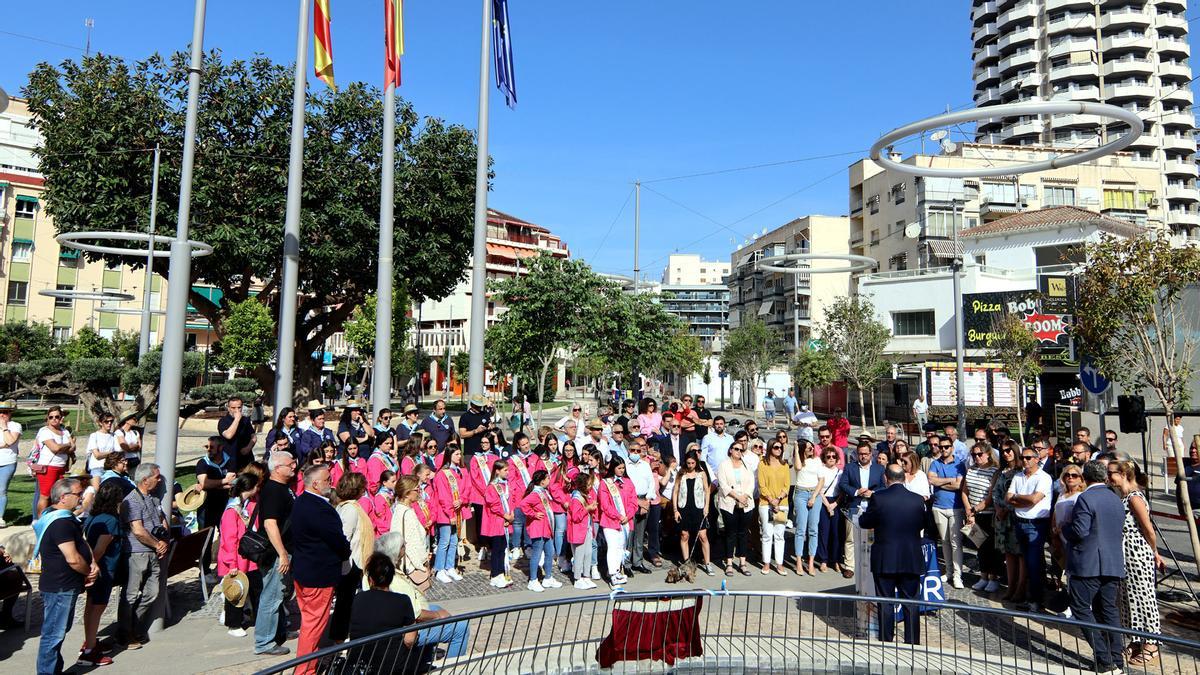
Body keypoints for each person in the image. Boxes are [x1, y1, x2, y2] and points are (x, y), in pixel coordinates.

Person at [1064, 461, 1127, 674]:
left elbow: (1080, 531)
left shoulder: (1086, 498)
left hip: (1087, 564)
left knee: (1081, 609)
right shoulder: (1115, 498)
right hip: (1112, 562)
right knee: (1109, 610)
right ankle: (1117, 658)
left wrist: (1065, 527)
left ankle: (1104, 657)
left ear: (1085, 477)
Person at [367, 534, 471, 659]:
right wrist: (438, 616)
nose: (405, 546)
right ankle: (452, 668)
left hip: (401, 620)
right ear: (395, 551)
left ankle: (424, 658)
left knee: (436, 607)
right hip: (407, 630)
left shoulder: (374, 573)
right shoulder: (393, 580)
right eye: (402, 546)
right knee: (461, 627)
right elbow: (416, 614)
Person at [34, 477, 99, 675]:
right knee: (53, 635)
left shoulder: (58, 515)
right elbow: (72, 558)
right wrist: (88, 571)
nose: (81, 498)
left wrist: (92, 562)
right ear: (63, 497)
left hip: (63, 585)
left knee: (58, 632)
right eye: (78, 494)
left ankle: (55, 670)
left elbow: (80, 541)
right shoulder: (60, 523)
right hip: (59, 587)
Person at [290, 464, 350, 673]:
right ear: (315, 484)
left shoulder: (301, 502)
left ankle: (307, 665)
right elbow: (337, 540)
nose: (331, 482)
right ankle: (304, 670)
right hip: (318, 575)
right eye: (327, 480)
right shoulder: (320, 509)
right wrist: (345, 552)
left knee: (309, 622)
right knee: (313, 626)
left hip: (304, 571)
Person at [860, 464, 928, 645]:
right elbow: (922, 524)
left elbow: (866, 521)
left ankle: (886, 642)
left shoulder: (879, 498)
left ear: (885, 478)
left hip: (886, 558)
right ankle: (912, 643)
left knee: (886, 602)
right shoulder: (917, 500)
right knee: (911, 603)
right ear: (904, 478)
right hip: (910, 557)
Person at [1108, 460, 1164, 666]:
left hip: (1138, 552)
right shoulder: (1123, 497)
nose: (1109, 477)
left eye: (1112, 473)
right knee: (1128, 597)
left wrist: (1155, 552)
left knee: (1144, 596)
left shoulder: (1135, 498)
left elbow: (1148, 529)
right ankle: (1136, 638)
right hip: (1125, 553)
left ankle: (1152, 642)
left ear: (1123, 474)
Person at [253, 451, 297, 656]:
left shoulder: (283, 488)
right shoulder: (272, 490)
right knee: (271, 596)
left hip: (284, 550)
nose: (294, 466)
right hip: (275, 554)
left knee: (280, 594)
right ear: (278, 468)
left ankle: (278, 632)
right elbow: (270, 524)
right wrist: (282, 553)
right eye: (290, 464)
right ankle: (264, 642)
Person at [119, 462, 166, 649]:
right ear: (145, 480)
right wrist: (157, 543)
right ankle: (124, 633)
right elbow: (138, 530)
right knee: (130, 595)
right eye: (157, 477)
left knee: (152, 592)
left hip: (154, 552)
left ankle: (134, 626)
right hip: (136, 553)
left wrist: (163, 539)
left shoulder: (152, 498)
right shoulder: (131, 501)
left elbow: (161, 520)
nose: (160, 479)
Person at [346, 552, 419, 671]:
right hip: (392, 667)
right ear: (390, 579)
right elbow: (409, 640)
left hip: (359, 665)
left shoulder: (358, 599)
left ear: (370, 579)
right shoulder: (402, 601)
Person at [80, 481, 124, 666]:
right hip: (103, 570)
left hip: (97, 569)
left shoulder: (92, 517)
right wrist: (93, 567)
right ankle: (89, 652)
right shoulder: (111, 521)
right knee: (97, 609)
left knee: (90, 607)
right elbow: (99, 550)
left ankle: (89, 642)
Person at [1007, 445, 1053, 613]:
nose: (1025, 461)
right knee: (1027, 561)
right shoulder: (1018, 476)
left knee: (1034, 563)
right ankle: (1031, 597)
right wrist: (1020, 499)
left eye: (1028, 458)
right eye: (1023, 458)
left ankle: (1036, 600)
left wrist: (1017, 498)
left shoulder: (1044, 478)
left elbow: (1035, 499)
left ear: (1037, 459)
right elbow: (1008, 498)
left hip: (1036, 524)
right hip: (1019, 521)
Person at [329, 471, 374, 643]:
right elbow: (344, 537)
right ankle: (339, 638)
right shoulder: (349, 509)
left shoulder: (351, 506)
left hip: (354, 561)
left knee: (348, 601)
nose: (364, 490)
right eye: (362, 486)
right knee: (344, 603)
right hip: (351, 562)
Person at [218, 473, 261, 637]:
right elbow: (229, 539)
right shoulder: (231, 511)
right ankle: (233, 623)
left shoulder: (243, 505)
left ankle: (253, 617)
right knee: (236, 591)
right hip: (236, 560)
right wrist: (232, 564)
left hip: (247, 558)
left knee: (255, 588)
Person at [837, 441, 886, 580]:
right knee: (851, 538)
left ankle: (871, 564)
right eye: (861, 454)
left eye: (866, 454)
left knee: (871, 538)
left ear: (871, 454)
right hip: (854, 506)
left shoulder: (879, 469)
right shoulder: (850, 467)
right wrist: (857, 491)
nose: (863, 456)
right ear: (857, 454)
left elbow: (885, 487)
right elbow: (843, 484)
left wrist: (873, 493)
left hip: (872, 507)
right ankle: (849, 566)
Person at [962, 443, 1001, 592]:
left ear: (988, 454)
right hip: (973, 515)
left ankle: (993, 577)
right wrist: (969, 511)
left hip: (988, 514)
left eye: (980, 454)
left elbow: (990, 496)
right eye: (974, 455)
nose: (977, 457)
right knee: (980, 547)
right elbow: (965, 491)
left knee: (991, 548)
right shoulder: (971, 470)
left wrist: (975, 509)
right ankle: (983, 576)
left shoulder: (994, 471)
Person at [928, 435, 966, 588]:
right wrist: (950, 480)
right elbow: (931, 480)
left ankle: (958, 575)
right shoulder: (935, 463)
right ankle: (949, 571)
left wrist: (940, 482)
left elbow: (959, 485)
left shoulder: (959, 464)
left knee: (956, 542)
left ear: (952, 448)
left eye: (946, 447)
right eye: (941, 447)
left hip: (955, 507)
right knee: (944, 541)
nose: (943, 449)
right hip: (938, 506)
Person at [431, 444, 470, 583]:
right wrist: (450, 513)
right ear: (449, 456)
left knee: (454, 541)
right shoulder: (442, 473)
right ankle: (439, 569)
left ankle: (449, 567)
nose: (459, 457)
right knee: (445, 541)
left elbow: (467, 488)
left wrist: (462, 500)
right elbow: (443, 496)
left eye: (460, 454)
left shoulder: (461, 471)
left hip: (458, 510)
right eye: (456, 454)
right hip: (445, 513)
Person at [992, 442, 1025, 602]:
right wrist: (998, 508)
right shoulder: (1001, 471)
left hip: (1015, 516)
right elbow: (995, 492)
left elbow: (1020, 494)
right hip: (1002, 517)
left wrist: (1006, 508)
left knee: (1019, 553)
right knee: (1008, 553)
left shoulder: (1021, 471)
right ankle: (1011, 586)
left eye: (1008, 450)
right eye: (1003, 451)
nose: (1006, 453)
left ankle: (1020, 587)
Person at [717, 442, 756, 576]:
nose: (739, 452)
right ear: (730, 450)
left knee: (743, 533)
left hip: (745, 503)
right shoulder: (724, 465)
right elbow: (723, 484)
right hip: (729, 503)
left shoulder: (746, 465)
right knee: (730, 533)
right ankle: (729, 563)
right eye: (736, 449)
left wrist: (744, 496)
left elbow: (751, 483)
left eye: (741, 449)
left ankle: (743, 562)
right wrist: (737, 497)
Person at [673, 450, 714, 575]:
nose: (690, 465)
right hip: (684, 507)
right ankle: (686, 562)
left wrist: (706, 507)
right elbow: (675, 491)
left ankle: (707, 563)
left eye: (692, 463)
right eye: (688, 463)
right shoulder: (681, 473)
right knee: (684, 535)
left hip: (698, 507)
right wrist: (675, 510)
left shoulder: (701, 474)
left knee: (702, 536)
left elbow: (707, 491)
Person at [520, 469, 560, 592]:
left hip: (546, 527)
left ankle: (548, 577)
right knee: (537, 553)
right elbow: (523, 504)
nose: (549, 480)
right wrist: (533, 514)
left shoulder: (543, 492)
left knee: (549, 552)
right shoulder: (535, 494)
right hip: (538, 528)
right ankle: (533, 580)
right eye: (547, 478)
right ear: (542, 481)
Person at [599, 457, 637, 586]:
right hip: (611, 521)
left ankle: (617, 570)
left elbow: (633, 502)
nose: (622, 470)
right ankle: (613, 573)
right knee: (613, 546)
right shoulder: (605, 483)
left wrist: (628, 515)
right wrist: (618, 516)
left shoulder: (628, 482)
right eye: (619, 468)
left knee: (621, 547)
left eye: (623, 468)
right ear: (613, 468)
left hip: (626, 521)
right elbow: (605, 504)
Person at [33, 406, 76, 519]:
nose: (54, 419)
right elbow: (55, 448)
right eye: (51, 417)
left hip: (61, 466)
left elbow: (73, 447)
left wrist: (66, 447)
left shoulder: (64, 431)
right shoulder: (44, 431)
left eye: (57, 416)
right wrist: (66, 445)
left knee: (58, 496)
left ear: (61, 417)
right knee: (45, 496)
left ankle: (53, 518)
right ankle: (40, 520)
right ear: (47, 418)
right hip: (48, 467)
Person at [624, 437, 658, 572]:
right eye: (633, 450)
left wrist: (647, 501)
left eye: (638, 451)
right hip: (630, 502)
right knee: (629, 535)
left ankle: (637, 562)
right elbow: (625, 486)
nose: (635, 453)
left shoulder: (644, 465)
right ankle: (626, 563)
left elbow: (651, 483)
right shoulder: (625, 464)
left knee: (640, 535)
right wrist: (637, 502)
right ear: (628, 451)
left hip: (644, 499)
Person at [758, 440, 791, 576]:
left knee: (779, 535)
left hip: (782, 503)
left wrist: (778, 499)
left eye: (780, 447)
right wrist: (772, 500)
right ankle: (766, 562)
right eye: (776, 447)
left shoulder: (784, 465)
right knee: (767, 534)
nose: (779, 449)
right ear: (770, 448)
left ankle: (779, 563)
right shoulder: (762, 464)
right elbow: (762, 485)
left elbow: (787, 485)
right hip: (766, 503)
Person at [791, 439, 824, 576]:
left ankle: (810, 561)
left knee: (813, 529)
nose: (812, 450)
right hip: (801, 493)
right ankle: (799, 561)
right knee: (800, 529)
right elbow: (798, 467)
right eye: (809, 448)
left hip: (814, 494)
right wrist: (796, 448)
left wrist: (813, 497)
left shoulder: (817, 461)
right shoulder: (798, 459)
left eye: (812, 447)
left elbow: (821, 480)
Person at [391, 475, 432, 584]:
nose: (419, 491)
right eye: (417, 489)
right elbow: (412, 544)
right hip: (411, 567)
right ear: (407, 493)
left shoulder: (400, 509)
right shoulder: (407, 513)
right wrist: (422, 565)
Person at [480, 461, 514, 587]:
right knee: (496, 549)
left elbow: (512, 500)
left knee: (503, 549)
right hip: (496, 522)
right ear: (497, 471)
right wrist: (506, 516)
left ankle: (501, 573)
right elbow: (494, 505)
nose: (507, 472)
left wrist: (512, 514)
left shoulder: (506, 485)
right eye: (505, 470)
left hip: (505, 521)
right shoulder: (492, 487)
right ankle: (495, 575)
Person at [815, 447, 844, 574]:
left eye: (833, 456)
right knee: (823, 532)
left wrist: (835, 504)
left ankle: (836, 560)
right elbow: (819, 489)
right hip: (823, 501)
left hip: (836, 502)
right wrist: (827, 505)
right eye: (828, 456)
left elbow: (842, 491)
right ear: (824, 458)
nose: (831, 459)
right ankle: (823, 560)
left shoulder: (841, 472)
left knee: (836, 533)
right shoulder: (820, 470)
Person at [218, 396, 257, 471]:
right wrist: (237, 420)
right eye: (233, 408)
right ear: (228, 408)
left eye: (239, 407)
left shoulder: (245, 420)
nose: (237, 410)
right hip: (230, 459)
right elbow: (229, 435)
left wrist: (248, 447)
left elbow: (253, 436)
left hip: (246, 459)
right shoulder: (223, 421)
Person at [0, 400, 21, 528]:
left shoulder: (15, 426)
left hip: (7, 462)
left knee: (1, 490)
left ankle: (0, 517)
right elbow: (6, 443)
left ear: (10, 413)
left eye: (5, 412)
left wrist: (4, 428)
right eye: (0, 412)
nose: (2, 415)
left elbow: (10, 441)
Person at [85, 413, 118, 489]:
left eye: (111, 421)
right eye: (106, 421)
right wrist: (111, 453)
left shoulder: (114, 436)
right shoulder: (94, 435)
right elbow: (97, 455)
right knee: (96, 492)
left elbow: (117, 453)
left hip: (110, 468)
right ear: (100, 423)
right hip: (97, 468)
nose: (109, 423)